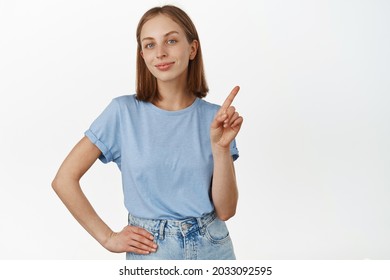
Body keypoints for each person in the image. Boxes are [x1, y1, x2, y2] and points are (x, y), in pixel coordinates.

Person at [52, 5, 243, 260]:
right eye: (150, 45)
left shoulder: (216, 118)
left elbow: (226, 210)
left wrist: (220, 149)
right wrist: (108, 237)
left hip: (213, 247)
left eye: (171, 41)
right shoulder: (122, 112)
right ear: (142, 54)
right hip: (152, 250)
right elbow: (64, 179)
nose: (161, 53)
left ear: (192, 49)